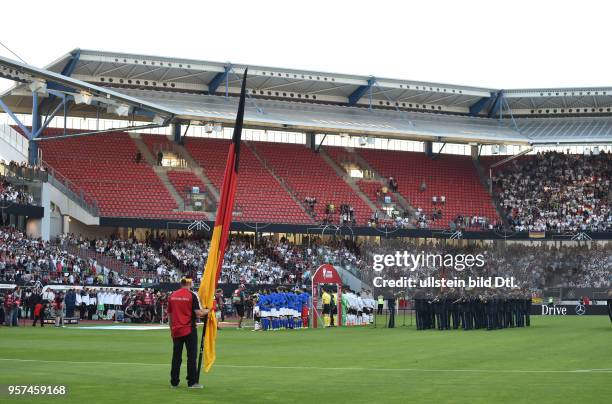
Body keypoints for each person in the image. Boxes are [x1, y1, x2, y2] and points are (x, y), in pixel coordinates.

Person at [167, 278, 207, 389]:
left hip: (176, 329)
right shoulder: (192, 295)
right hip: (189, 329)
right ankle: (192, 382)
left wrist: (171, 329)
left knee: (176, 357)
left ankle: (174, 382)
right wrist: (209, 310)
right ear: (189, 283)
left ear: (181, 283)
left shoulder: (173, 295)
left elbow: (170, 314)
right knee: (191, 357)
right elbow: (198, 313)